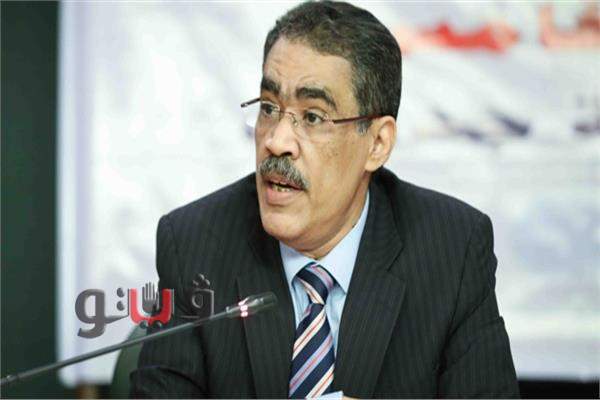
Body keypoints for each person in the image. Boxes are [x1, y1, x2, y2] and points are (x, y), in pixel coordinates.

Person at [130, 1, 519, 398]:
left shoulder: (452, 250)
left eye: (313, 117)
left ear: (377, 144)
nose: (277, 141)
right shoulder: (195, 245)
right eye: (269, 108)